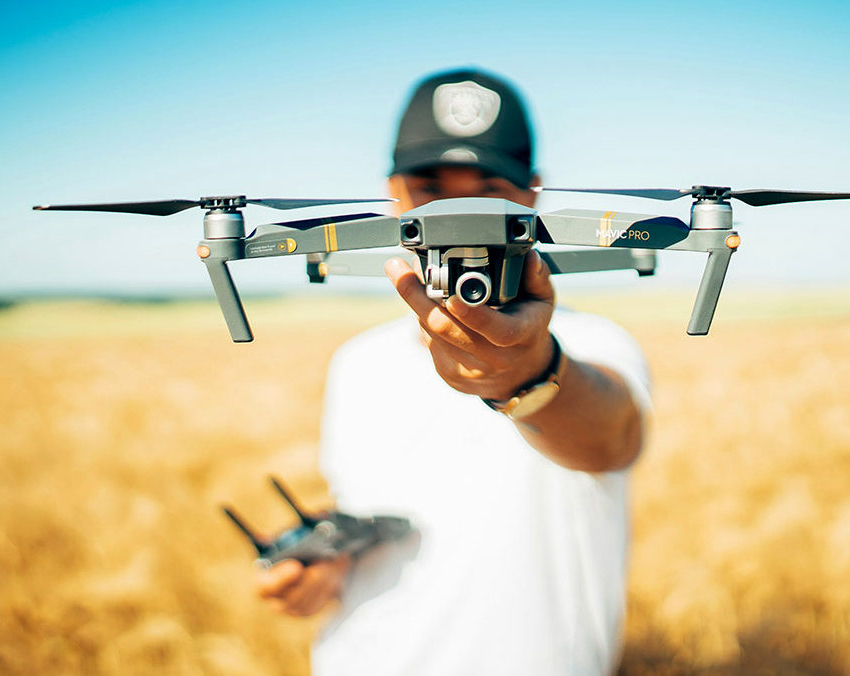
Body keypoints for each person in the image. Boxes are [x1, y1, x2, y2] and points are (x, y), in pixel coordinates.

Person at [254, 68, 652, 675]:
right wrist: (327, 568)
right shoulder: (357, 364)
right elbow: (370, 505)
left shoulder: (597, 344)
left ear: (531, 195)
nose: (456, 218)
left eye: (486, 191)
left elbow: (608, 437)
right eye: (430, 191)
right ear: (393, 191)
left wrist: (528, 375)